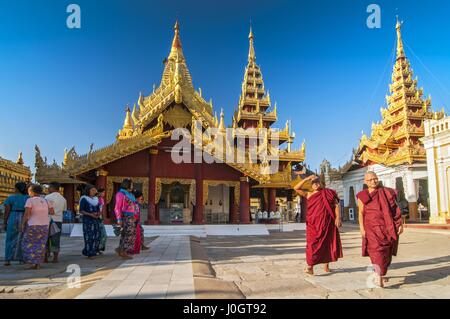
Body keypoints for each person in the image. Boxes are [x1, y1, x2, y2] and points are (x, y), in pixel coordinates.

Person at [357, 171, 403, 288]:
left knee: (386, 253)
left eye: (375, 178)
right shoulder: (363, 195)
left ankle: (380, 272)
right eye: (370, 180)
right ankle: (379, 276)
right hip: (371, 228)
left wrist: (400, 224)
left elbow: (395, 209)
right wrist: (362, 228)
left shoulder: (386, 192)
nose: (373, 181)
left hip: (388, 227)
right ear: (365, 182)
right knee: (376, 251)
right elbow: (361, 213)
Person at [294, 174, 343, 275]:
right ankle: (310, 267)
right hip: (313, 224)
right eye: (313, 183)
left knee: (327, 243)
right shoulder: (309, 194)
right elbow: (296, 188)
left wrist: (338, 218)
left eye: (317, 182)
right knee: (312, 244)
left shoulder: (328, 193)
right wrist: (306, 179)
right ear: (311, 186)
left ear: (321, 183)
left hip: (327, 222)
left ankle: (326, 266)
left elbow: (336, 205)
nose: (315, 184)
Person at [21, 184, 54, 269]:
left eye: (29, 191)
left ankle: (32, 263)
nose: (28, 193)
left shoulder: (30, 200)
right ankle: (38, 263)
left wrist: (22, 223)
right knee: (41, 244)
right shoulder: (46, 201)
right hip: (44, 225)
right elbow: (52, 212)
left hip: (33, 225)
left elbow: (27, 213)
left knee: (28, 243)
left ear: (32, 192)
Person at [3, 182, 29, 266]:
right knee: (23, 238)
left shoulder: (10, 198)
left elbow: (7, 211)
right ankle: (22, 259)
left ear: (16, 188)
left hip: (13, 217)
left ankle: (8, 259)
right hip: (24, 218)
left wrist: (4, 222)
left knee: (10, 239)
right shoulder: (28, 198)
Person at [44, 182, 67, 263]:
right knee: (56, 239)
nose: (48, 189)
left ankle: (45, 257)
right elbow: (64, 211)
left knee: (46, 239)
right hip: (58, 221)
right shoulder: (63, 199)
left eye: (49, 187)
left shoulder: (47, 197)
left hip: (47, 220)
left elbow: (45, 209)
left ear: (53, 188)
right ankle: (55, 258)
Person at [114, 179, 137, 259]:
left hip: (131, 216)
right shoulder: (120, 194)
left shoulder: (130, 194)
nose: (132, 186)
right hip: (125, 216)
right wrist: (119, 219)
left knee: (129, 234)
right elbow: (117, 207)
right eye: (131, 184)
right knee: (128, 234)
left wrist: (134, 215)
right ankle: (123, 251)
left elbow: (133, 206)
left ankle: (121, 249)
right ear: (127, 184)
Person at [79, 184, 101, 259]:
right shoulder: (84, 199)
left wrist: (98, 213)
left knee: (97, 235)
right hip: (88, 220)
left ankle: (94, 251)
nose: (94, 191)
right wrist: (90, 214)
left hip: (96, 220)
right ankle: (90, 253)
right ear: (88, 190)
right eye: (92, 190)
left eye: (95, 190)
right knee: (89, 236)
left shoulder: (96, 199)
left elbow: (98, 209)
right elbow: (81, 211)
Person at [132, 190, 150, 254]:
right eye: (141, 197)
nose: (141, 199)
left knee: (141, 231)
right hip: (133, 220)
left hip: (137, 220)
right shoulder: (133, 203)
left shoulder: (136, 203)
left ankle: (141, 245)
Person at [97, 188, 107, 254]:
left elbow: (102, 209)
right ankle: (98, 248)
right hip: (97, 218)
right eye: (103, 192)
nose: (104, 194)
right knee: (100, 234)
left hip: (100, 218)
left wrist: (103, 216)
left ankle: (100, 248)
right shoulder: (96, 199)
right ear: (99, 193)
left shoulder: (102, 199)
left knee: (103, 235)